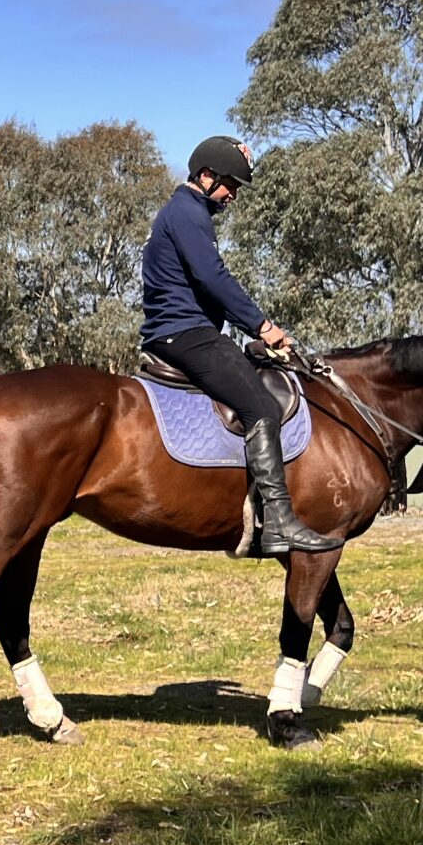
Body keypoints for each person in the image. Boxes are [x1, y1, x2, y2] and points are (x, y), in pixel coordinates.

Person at [139, 137, 343, 555]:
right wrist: (263, 326)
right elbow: (214, 279)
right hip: (186, 333)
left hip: (189, 329)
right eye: (230, 183)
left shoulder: (187, 213)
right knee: (261, 407)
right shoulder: (187, 213)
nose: (233, 194)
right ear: (206, 176)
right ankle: (281, 522)